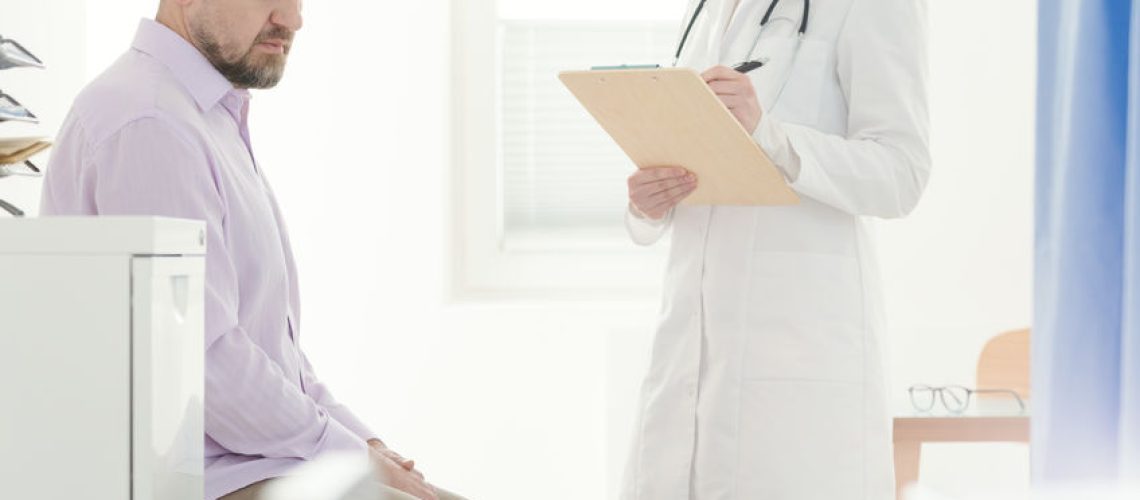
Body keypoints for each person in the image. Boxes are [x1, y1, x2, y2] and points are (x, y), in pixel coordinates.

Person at [39, 1, 463, 499]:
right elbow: (204, 361)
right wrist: (349, 454)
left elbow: (269, 352)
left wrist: (364, 443)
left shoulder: (201, 117)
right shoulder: (149, 122)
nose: (292, 20)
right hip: (193, 482)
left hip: (245, 467)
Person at [621, 0, 930, 499]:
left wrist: (771, 136)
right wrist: (649, 202)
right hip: (688, 357)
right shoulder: (706, 10)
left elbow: (903, 172)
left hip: (796, 363)